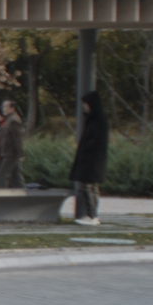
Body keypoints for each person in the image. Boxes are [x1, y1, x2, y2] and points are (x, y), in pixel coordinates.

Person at [68, 91, 109, 225]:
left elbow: (96, 140)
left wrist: (86, 149)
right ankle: (92, 215)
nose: (84, 107)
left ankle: (93, 215)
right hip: (92, 158)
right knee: (91, 187)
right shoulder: (94, 119)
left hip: (92, 159)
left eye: (86, 104)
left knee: (88, 187)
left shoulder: (98, 120)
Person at [0, 99, 27, 189]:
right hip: (9, 153)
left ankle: (1, 197)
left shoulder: (14, 120)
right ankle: (24, 194)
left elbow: (18, 139)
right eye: (3, 107)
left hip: (12, 153)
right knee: (16, 176)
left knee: (2, 175)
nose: (3, 109)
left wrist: (21, 153)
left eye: (6, 107)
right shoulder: (9, 120)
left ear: (12, 108)